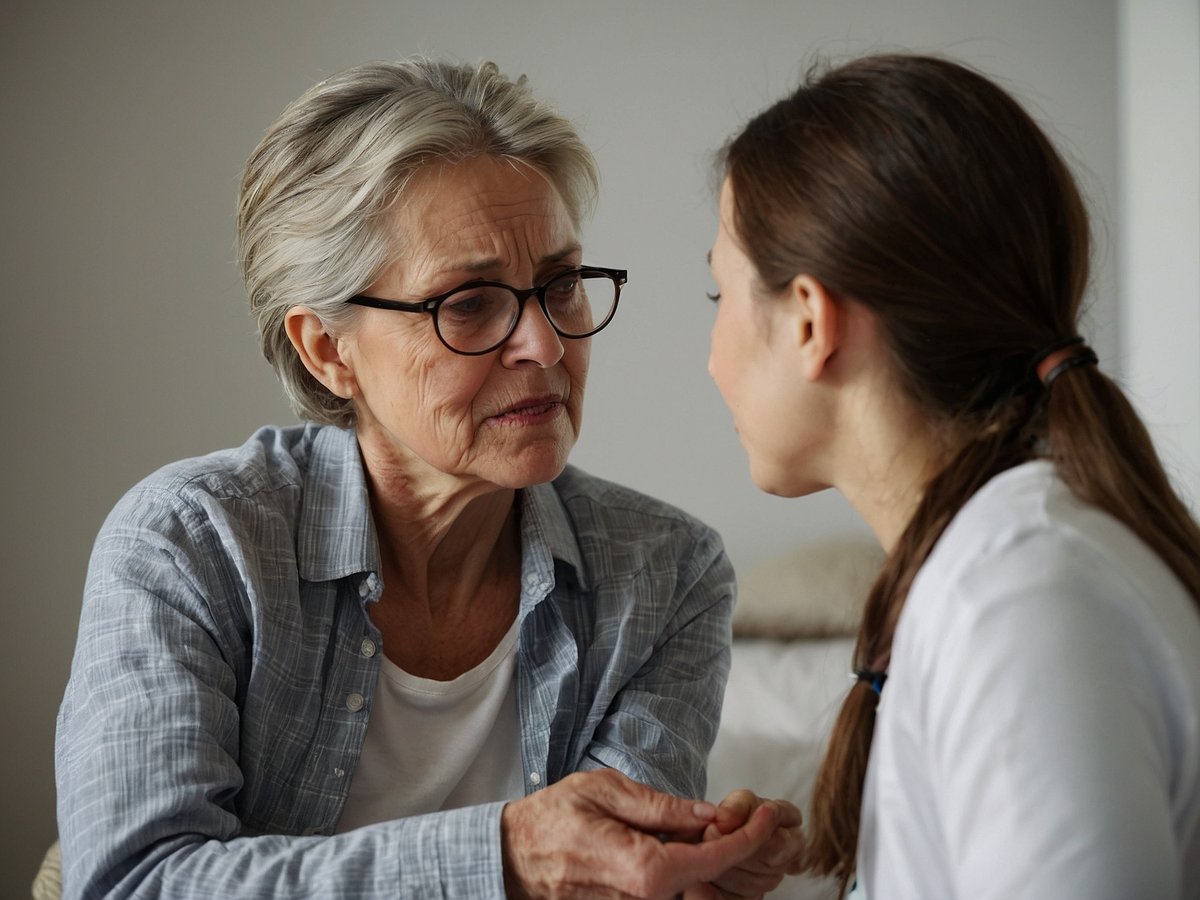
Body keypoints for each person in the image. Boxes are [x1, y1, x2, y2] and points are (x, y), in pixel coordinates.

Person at [55, 58, 804, 899]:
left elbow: (613, 880)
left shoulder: (667, 573)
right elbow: (135, 883)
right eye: (471, 303)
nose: (547, 347)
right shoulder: (190, 545)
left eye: (560, 286)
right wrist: (506, 858)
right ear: (328, 351)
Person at [706, 53, 1200, 899]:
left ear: (810, 322)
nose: (712, 361)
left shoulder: (1019, 597)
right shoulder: (995, 570)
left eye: (719, 299)